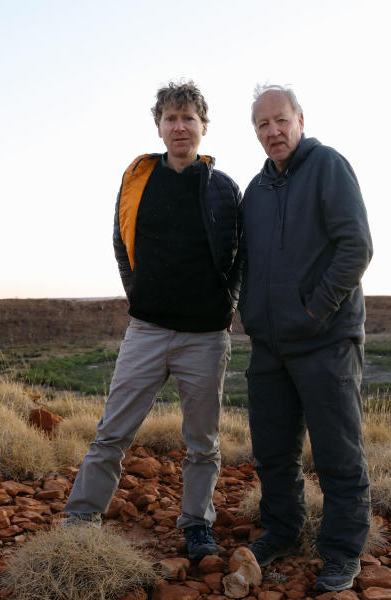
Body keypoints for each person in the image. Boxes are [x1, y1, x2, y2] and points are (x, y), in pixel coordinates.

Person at [63, 81, 243, 561]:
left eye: (188, 118)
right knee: (111, 433)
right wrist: (139, 294)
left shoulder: (223, 188)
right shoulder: (137, 179)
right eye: (171, 118)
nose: (179, 126)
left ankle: (197, 525)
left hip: (205, 337)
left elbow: (240, 256)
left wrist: (227, 307)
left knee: (202, 442)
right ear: (159, 126)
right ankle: (80, 519)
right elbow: (122, 245)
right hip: (146, 330)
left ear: (204, 126)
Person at [239, 84, 373, 591]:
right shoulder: (256, 190)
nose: (272, 132)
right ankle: (283, 531)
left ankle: (341, 552)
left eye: (280, 120)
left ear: (300, 119)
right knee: (273, 451)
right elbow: (247, 262)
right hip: (270, 346)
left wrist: (315, 310)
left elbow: (355, 246)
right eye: (262, 125)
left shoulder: (328, 166)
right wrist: (251, 313)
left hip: (326, 341)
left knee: (337, 453)